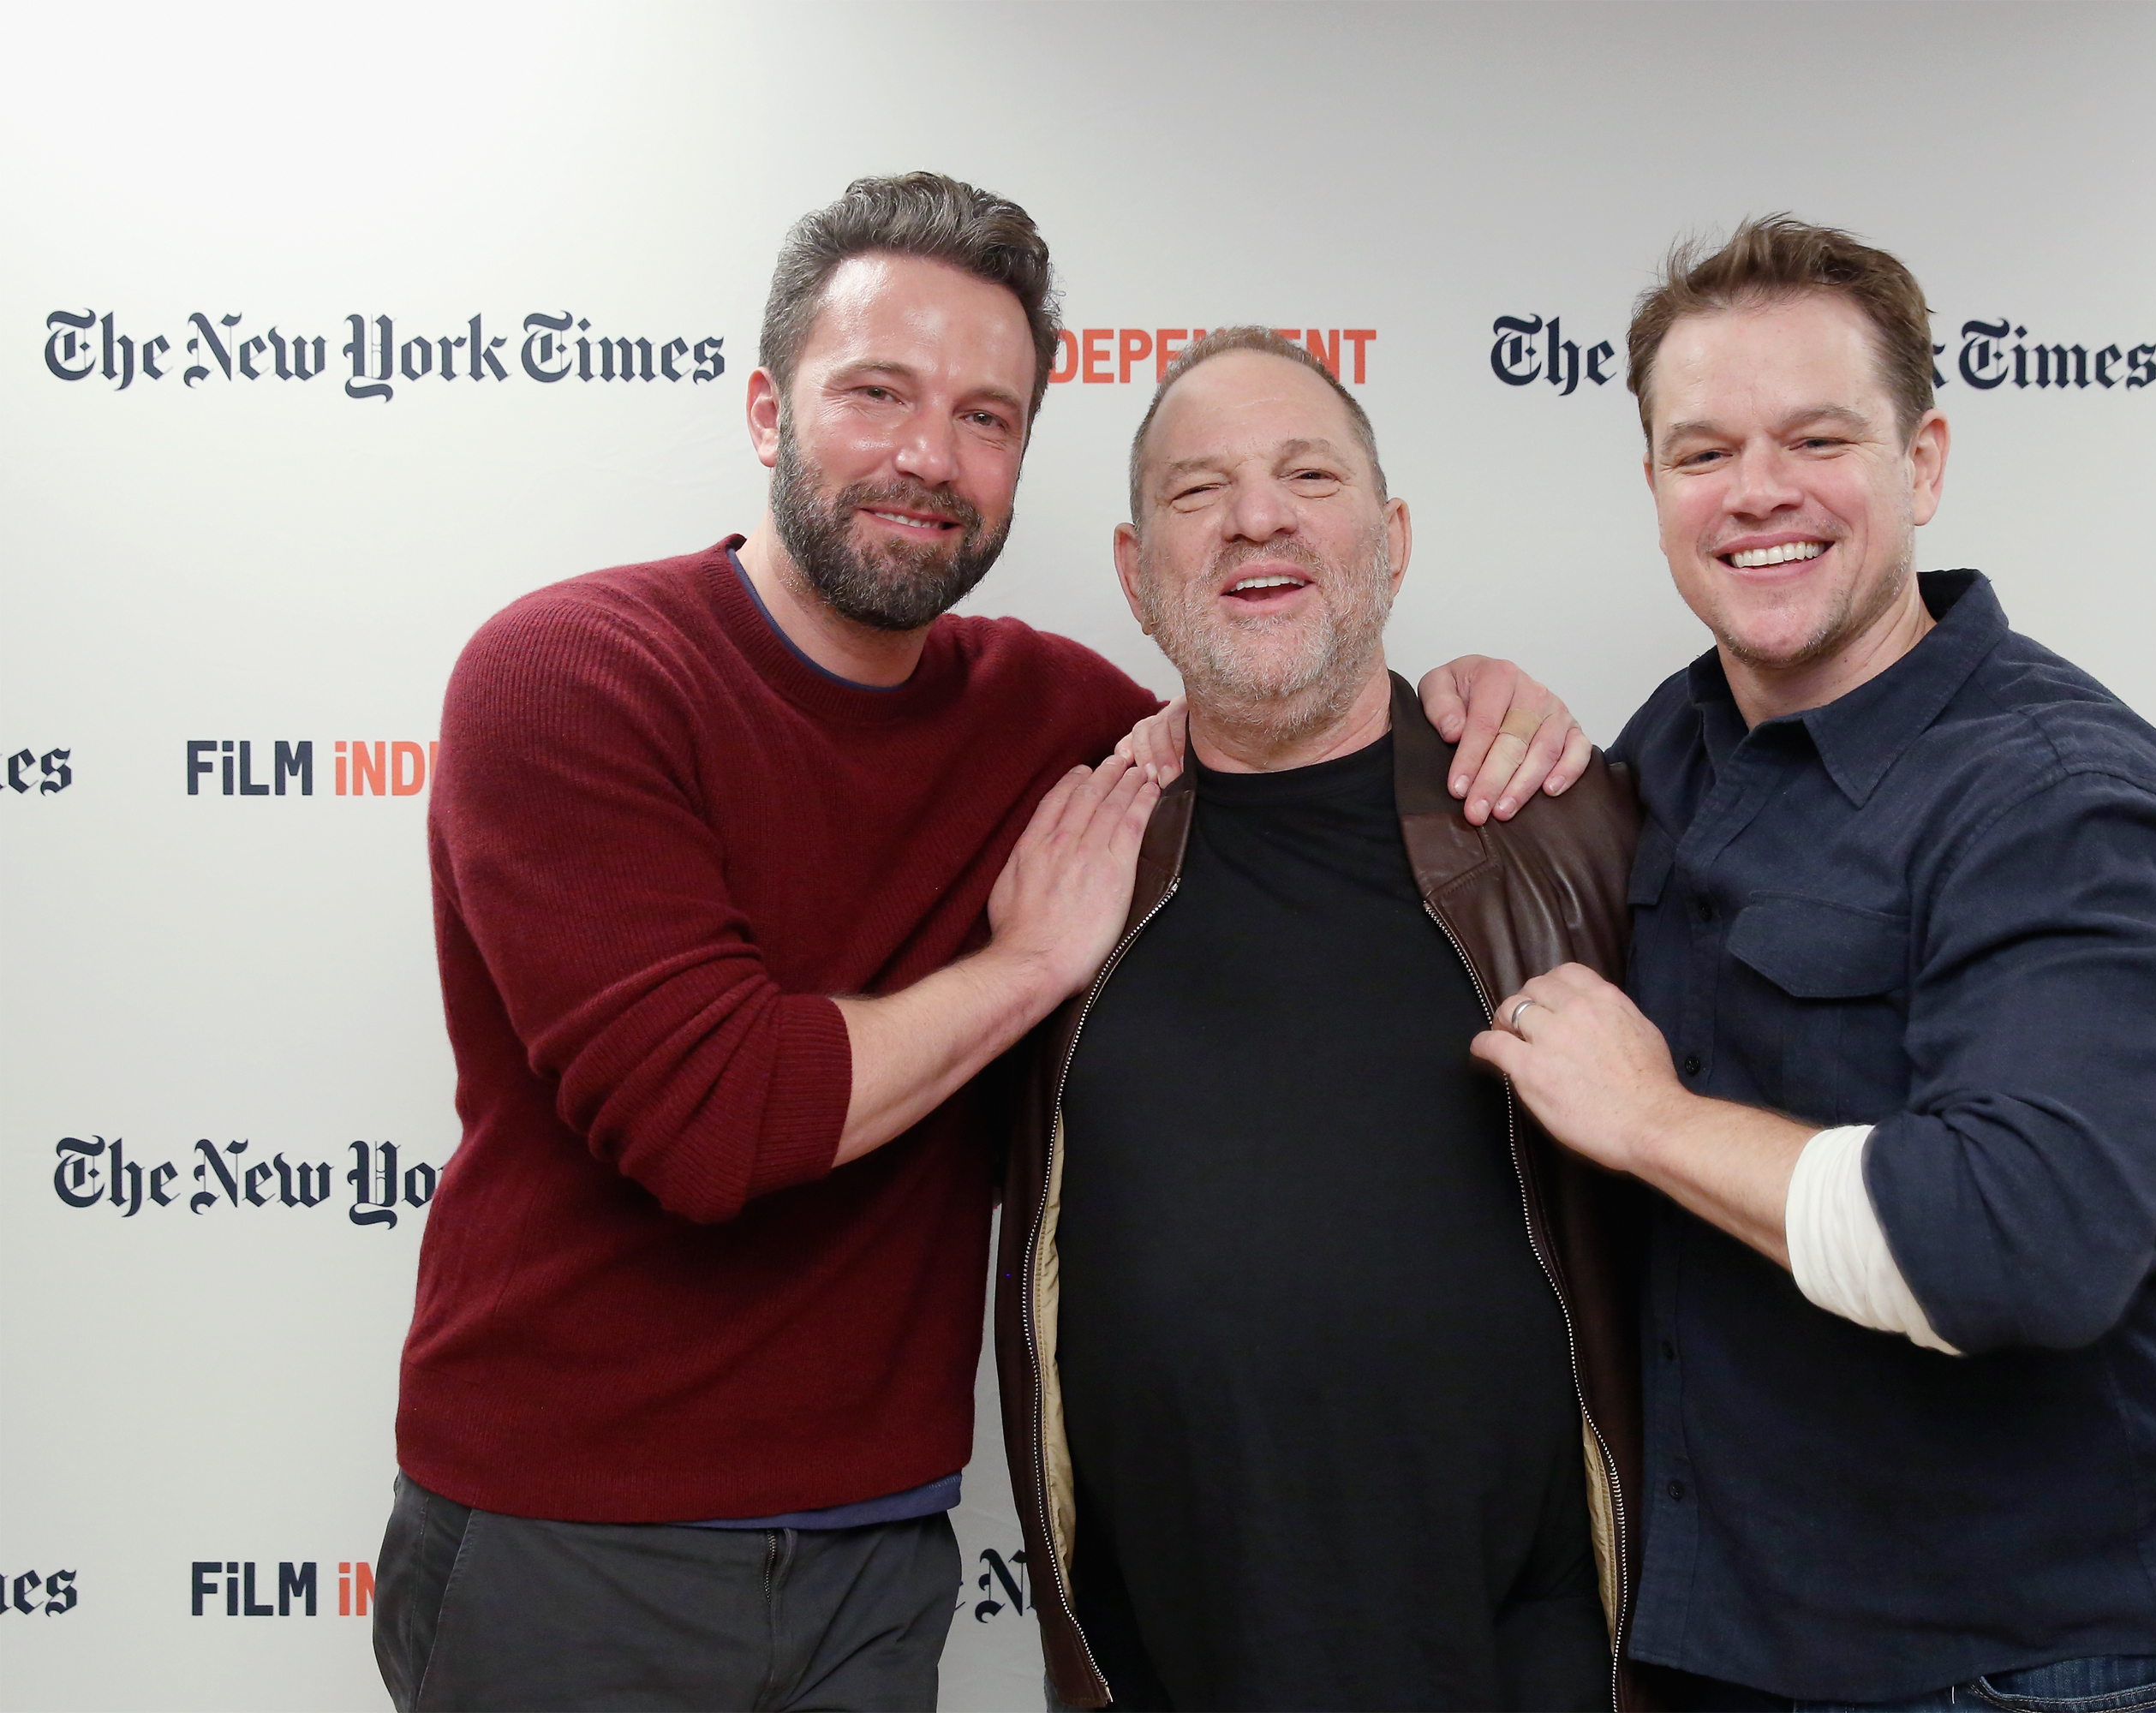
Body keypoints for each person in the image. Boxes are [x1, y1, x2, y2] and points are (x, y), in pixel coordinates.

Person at [370, 173, 1584, 1713]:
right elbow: (712, 1121)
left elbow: (1271, 695)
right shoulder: (571, 675)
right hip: (577, 1544)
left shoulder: (1053, 720)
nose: (928, 457)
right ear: (763, 410)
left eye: (988, 417)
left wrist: (1475, 693)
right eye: (876, 393)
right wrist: (1022, 965)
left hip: (883, 1555)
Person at [1475, 217, 2156, 1713]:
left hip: (2035, 1665)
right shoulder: (1681, 741)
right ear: (1652, 488)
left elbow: (2015, 1246)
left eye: (1816, 437)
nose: (1756, 490)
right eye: (1702, 451)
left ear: (1921, 464)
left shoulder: (2057, 791)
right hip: (1741, 1648)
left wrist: (1648, 1117)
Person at [994, 328, 1645, 1713]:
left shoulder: (1573, 832)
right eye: (1197, 491)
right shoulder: (1064, 860)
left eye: (1309, 474)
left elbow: (1793, 1095)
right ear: (1134, 573)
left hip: (1530, 1674)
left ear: (1393, 538)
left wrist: (2148, 1145)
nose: (1257, 516)